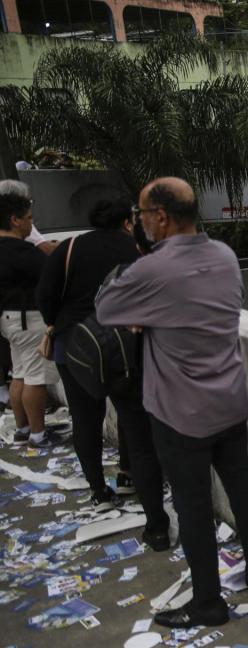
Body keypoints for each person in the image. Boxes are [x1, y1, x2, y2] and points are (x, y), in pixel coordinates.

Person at [95, 177, 248, 629]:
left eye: (140, 215)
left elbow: (106, 307)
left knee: (193, 507)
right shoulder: (225, 256)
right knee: (243, 488)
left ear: (160, 217)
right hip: (230, 401)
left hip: (179, 413)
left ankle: (209, 603)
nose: (137, 223)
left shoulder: (153, 269)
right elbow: (220, 305)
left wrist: (143, 298)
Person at [36, 200, 170, 537]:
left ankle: (99, 491)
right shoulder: (137, 251)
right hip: (126, 351)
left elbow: (45, 295)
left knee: (85, 418)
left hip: (76, 346)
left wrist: (56, 324)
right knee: (136, 428)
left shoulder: (69, 249)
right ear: (128, 222)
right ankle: (145, 505)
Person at [0, 180, 62, 449]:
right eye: (28, 219)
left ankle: (23, 428)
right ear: (14, 220)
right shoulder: (22, 251)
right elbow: (50, 276)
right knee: (35, 377)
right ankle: (38, 434)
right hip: (29, 318)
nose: (30, 225)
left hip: (9, 320)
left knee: (20, 374)